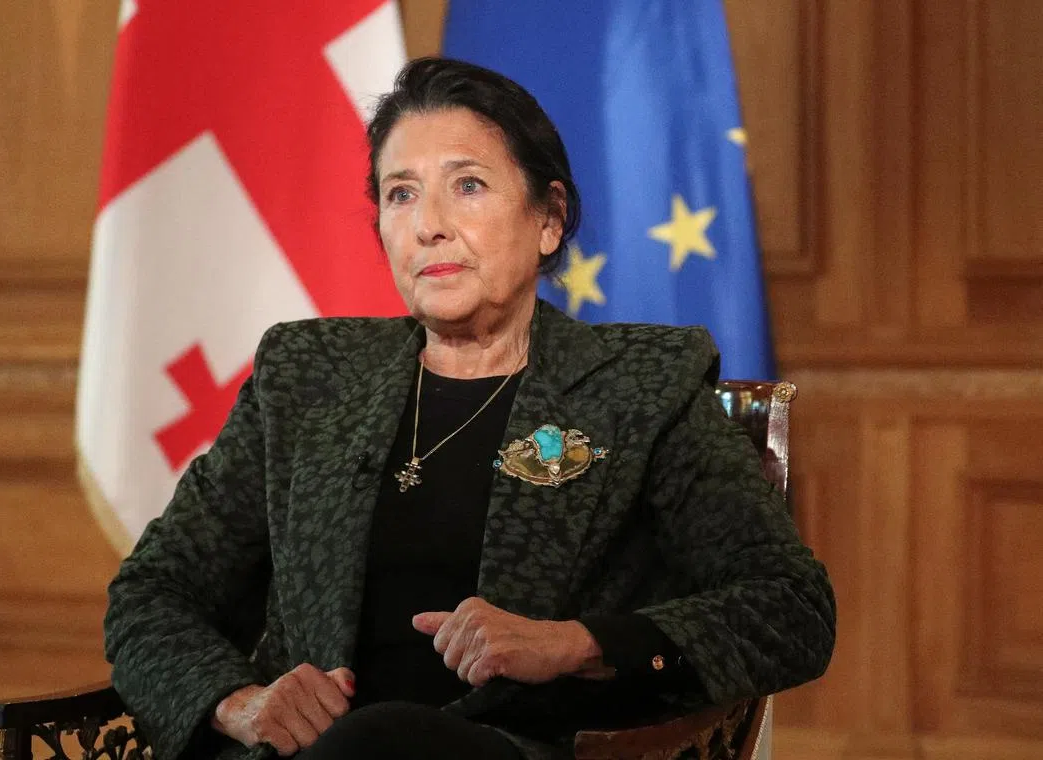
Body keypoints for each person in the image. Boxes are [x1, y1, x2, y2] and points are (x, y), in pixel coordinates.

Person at [103, 57, 836, 760]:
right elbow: (152, 593)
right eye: (401, 193)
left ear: (548, 219)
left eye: (469, 185)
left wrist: (578, 642)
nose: (429, 225)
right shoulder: (305, 376)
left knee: (379, 739)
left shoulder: (641, 386)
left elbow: (791, 607)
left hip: (514, 749)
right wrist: (241, 703)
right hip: (309, 755)